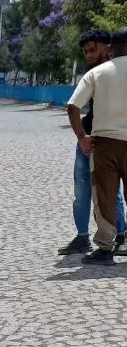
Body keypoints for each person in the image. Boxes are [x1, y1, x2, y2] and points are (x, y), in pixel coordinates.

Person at [59, 29, 126, 256]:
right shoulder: (95, 71)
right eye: (85, 51)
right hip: (102, 140)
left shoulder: (100, 73)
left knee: (107, 194)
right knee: (95, 192)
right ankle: (98, 239)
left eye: (92, 49)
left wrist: (82, 137)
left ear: (109, 48)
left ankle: (111, 243)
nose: (88, 54)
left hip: (103, 142)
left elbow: (72, 107)